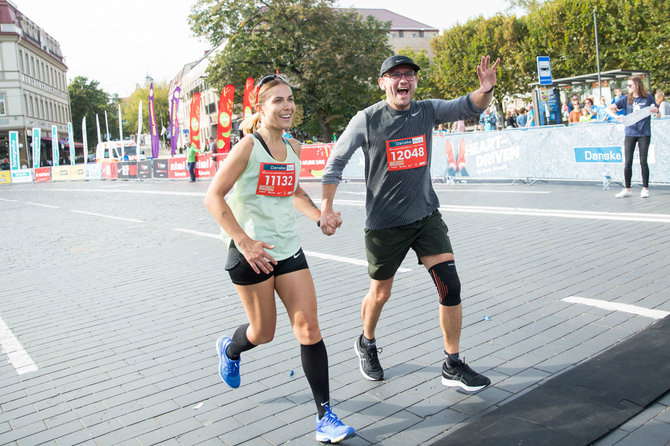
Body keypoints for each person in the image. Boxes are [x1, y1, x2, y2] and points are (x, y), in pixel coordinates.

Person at [320, 54, 498, 391]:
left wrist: (485, 89)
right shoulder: (367, 119)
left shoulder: (426, 110)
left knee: (450, 285)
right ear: (383, 82)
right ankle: (367, 342)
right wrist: (326, 208)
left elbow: (467, 106)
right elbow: (335, 162)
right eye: (395, 75)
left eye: (409, 75)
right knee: (380, 293)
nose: (404, 80)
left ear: (415, 82)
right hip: (385, 224)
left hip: (425, 215)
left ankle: (452, 363)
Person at [204, 74, 356, 443]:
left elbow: (294, 191)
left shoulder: (294, 148)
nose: (287, 106)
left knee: (309, 329)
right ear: (262, 107)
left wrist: (320, 215)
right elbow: (213, 196)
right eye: (277, 100)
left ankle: (325, 417)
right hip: (252, 256)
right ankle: (232, 346)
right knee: (264, 333)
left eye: (290, 99)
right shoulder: (247, 148)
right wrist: (243, 241)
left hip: (289, 250)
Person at [610, 76, 658, 198]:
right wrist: (617, 117)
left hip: (644, 133)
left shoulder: (648, 98)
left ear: (637, 85)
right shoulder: (626, 99)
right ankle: (627, 189)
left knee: (643, 161)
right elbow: (610, 108)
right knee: (628, 162)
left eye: (630, 85)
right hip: (630, 132)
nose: (628, 87)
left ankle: (645, 188)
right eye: (627, 85)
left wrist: (655, 111)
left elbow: (657, 112)